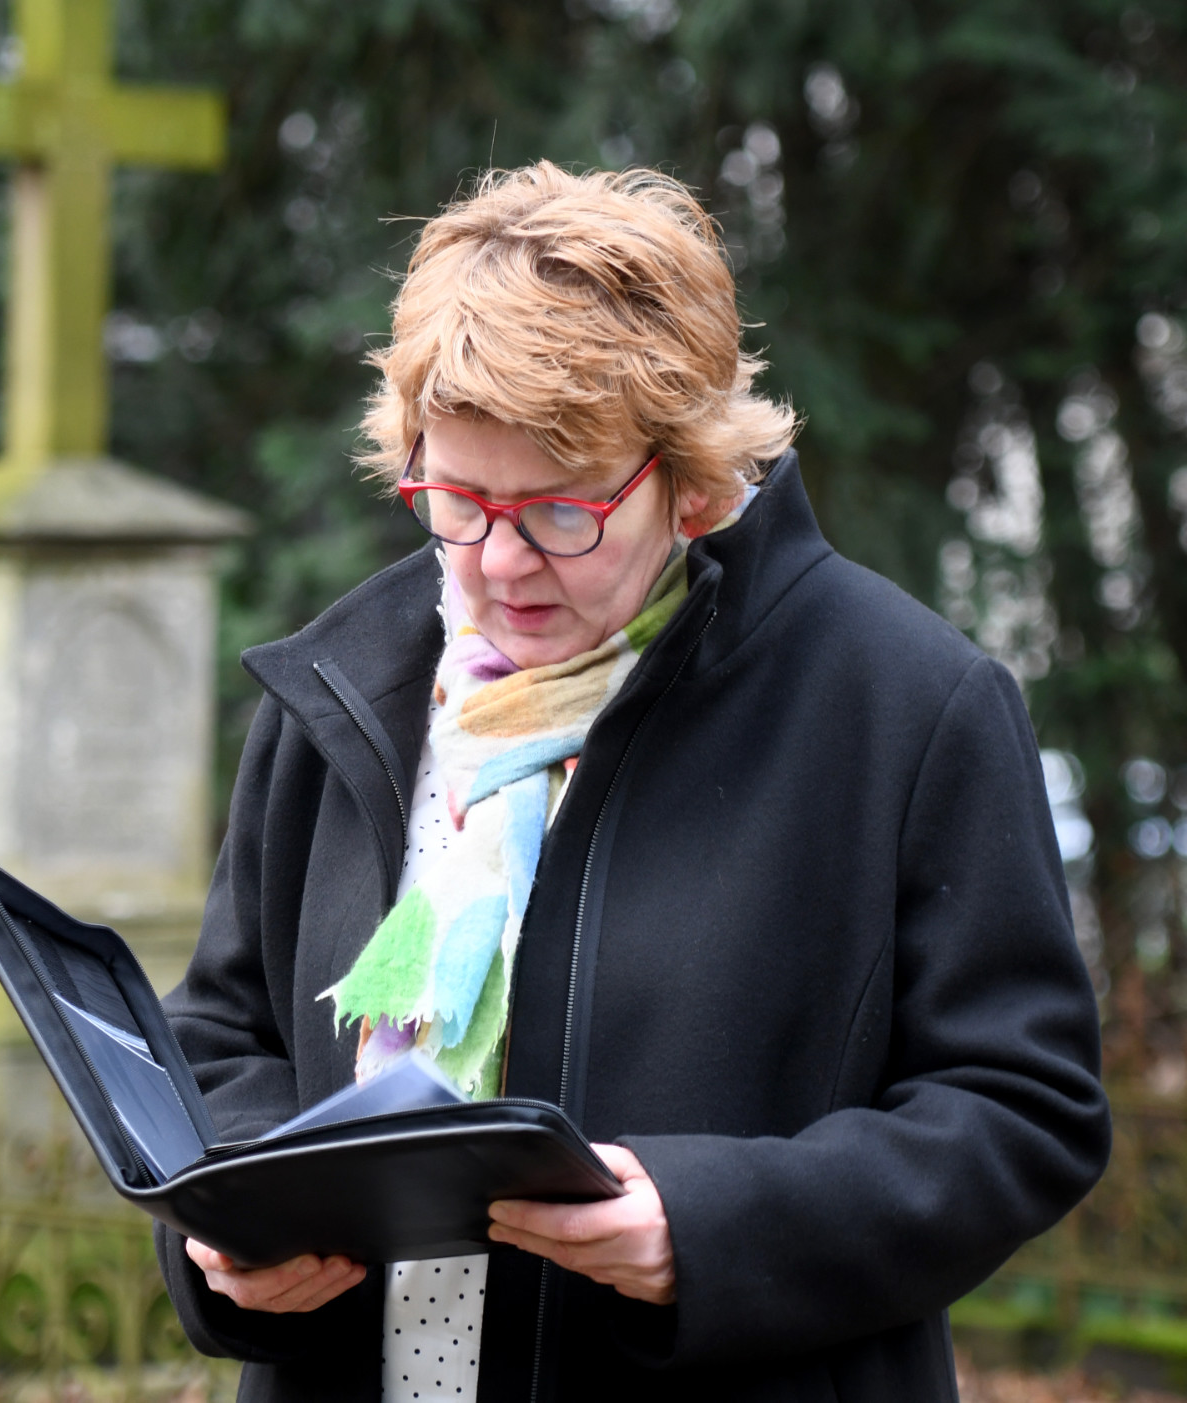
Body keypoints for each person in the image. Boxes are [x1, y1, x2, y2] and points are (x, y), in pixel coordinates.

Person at [152, 162, 1111, 1402]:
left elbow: (1022, 1109)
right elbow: (220, 1039)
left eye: (558, 512)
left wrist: (705, 1231)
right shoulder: (349, 684)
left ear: (693, 476)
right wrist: (225, 1231)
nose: (498, 561)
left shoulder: (909, 706)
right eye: (455, 498)